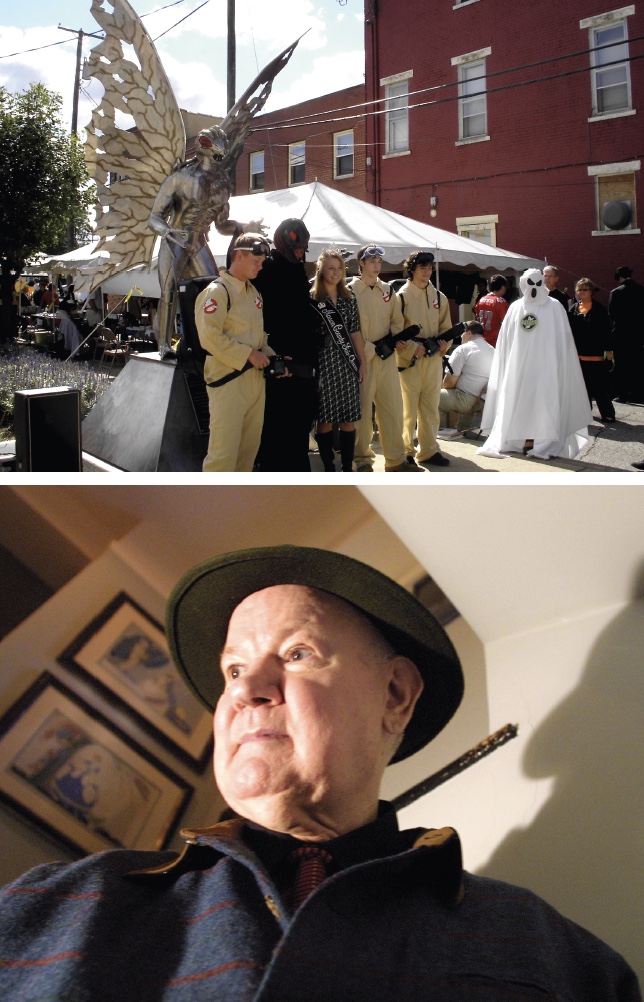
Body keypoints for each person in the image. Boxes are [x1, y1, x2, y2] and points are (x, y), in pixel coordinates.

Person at [0, 544, 639, 1001]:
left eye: (298, 654)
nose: (246, 688)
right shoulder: (52, 902)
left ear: (395, 695)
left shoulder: (556, 956)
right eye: (232, 669)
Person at [148, 126, 265, 357]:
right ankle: (163, 344)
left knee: (212, 288)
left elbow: (222, 225)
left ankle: (207, 340)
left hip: (199, 241)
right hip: (176, 239)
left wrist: (245, 227)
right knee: (169, 292)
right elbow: (154, 216)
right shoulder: (180, 177)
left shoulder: (222, 182)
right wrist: (166, 231)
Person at [478, 268, 592, 460]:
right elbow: (506, 341)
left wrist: (558, 365)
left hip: (546, 368)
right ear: (523, 284)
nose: (534, 289)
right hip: (518, 368)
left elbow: (563, 340)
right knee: (518, 401)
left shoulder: (554, 307)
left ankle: (542, 441)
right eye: (530, 284)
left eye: (538, 283)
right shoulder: (515, 307)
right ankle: (519, 439)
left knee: (544, 405)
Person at [195, 232, 274, 472]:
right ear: (238, 255)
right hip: (228, 383)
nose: (260, 267)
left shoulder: (254, 294)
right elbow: (209, 337)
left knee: (248, 452)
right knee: (223, 455)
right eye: (256, 261)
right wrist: (249, 354)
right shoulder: (217, 292)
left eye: (262, 263)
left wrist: (271, 355)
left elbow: (258, 337)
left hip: (254, 382)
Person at [348, 243, 424, 472]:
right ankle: (361, 460)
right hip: (362, 359)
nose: (376, 266)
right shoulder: (350, 291)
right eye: (372, 261)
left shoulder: (387, 290)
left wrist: (396, 338)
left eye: (379, 262)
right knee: (361, 414)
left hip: (387, 358)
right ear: (361, 263)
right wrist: (368, 350)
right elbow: (349, 327)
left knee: (392, 410)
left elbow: (396, 320)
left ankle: (395, 460)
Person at [252, 219, 321, 472]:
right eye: (297, 247)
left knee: (299, 428)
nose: (300, 252)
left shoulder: (298, 271)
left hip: (303, 365)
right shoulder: (267, 269)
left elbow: (301, 316)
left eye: (303, 248)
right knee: (275, 429)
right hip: (278, 363)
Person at [311, 248, 367, 472]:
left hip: (346, 363)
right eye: (331, 268)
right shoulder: (312, 298)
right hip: (323, 362)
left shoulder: (348, 298)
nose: (335, 273)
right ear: (321, 270)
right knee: (324, 420)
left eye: (339, 268)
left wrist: (362, 361)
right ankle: (328, 468)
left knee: (348, 418)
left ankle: (346, 468)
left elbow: (355, 332)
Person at [396, 250, 453, 468]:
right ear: (412, 269)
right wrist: (411, 348)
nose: (427, 271)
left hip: (433, 359)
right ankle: (406, 450)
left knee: (430, 407)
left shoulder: (440, 297)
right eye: (422, 267)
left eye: (429, 267)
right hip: (410, 361)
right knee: (407, 409)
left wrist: (443, 344)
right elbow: (396, 330)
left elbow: (446, 327)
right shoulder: (401, 297)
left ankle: (429, 450)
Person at [568, 278, 615, 424]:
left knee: (599, 386)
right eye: (579, 290)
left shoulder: (599, 308)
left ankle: (608, 414)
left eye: (585, 289)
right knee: (582, 387)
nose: (582, 292)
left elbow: (607, 331)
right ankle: (585, 412)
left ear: (591, 291)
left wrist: (609, 350)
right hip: (578, 355)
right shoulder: (573, 309)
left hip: (595, 354)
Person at [438, 320, 494, 435]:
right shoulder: (492, 350)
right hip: (484, 402)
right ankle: (462, 431)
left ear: (469, 333)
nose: (461, 336)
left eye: (462, 333)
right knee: (466, 389)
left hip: (466, 400)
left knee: (428, 398)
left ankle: (427, 433)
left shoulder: (463, 349)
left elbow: (448, 383)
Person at [609, 266, 644, 404]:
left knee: (621, 364)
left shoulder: (616, 292)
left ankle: (622, 394)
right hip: (638, 334)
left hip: (621, 334)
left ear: (620, 277)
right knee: (637, 363)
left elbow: (612, 314)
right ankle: (638, 393)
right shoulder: (641, 291)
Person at [474, 273, 509, 348]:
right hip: (495, 341)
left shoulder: (481, 299)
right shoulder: (500, 302)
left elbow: (476, 317)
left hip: (481, 340)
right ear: (502, 287)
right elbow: (506, 323)